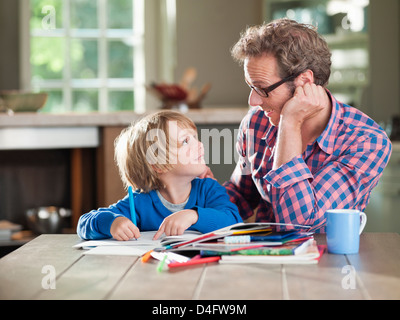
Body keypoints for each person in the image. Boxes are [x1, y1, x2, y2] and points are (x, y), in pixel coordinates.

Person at [222, 18, 392, 232]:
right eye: (250, 86)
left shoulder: (366, 141)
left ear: (304, 82)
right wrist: (194, 206)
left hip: (328, 262)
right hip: (264, 257)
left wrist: (290, 124)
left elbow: (300, 223)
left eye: (262, 89)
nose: (253, 101)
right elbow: (240, 195)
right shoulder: (256, 123)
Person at [77, 110, 242, 241]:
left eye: (195, 138)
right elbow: (84, 223)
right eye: (185, 141)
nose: (199, 144)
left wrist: (194, 215)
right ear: (158, 164)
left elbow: (235, 223)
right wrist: (112, 223)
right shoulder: (140, 202)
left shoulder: (209, 189)